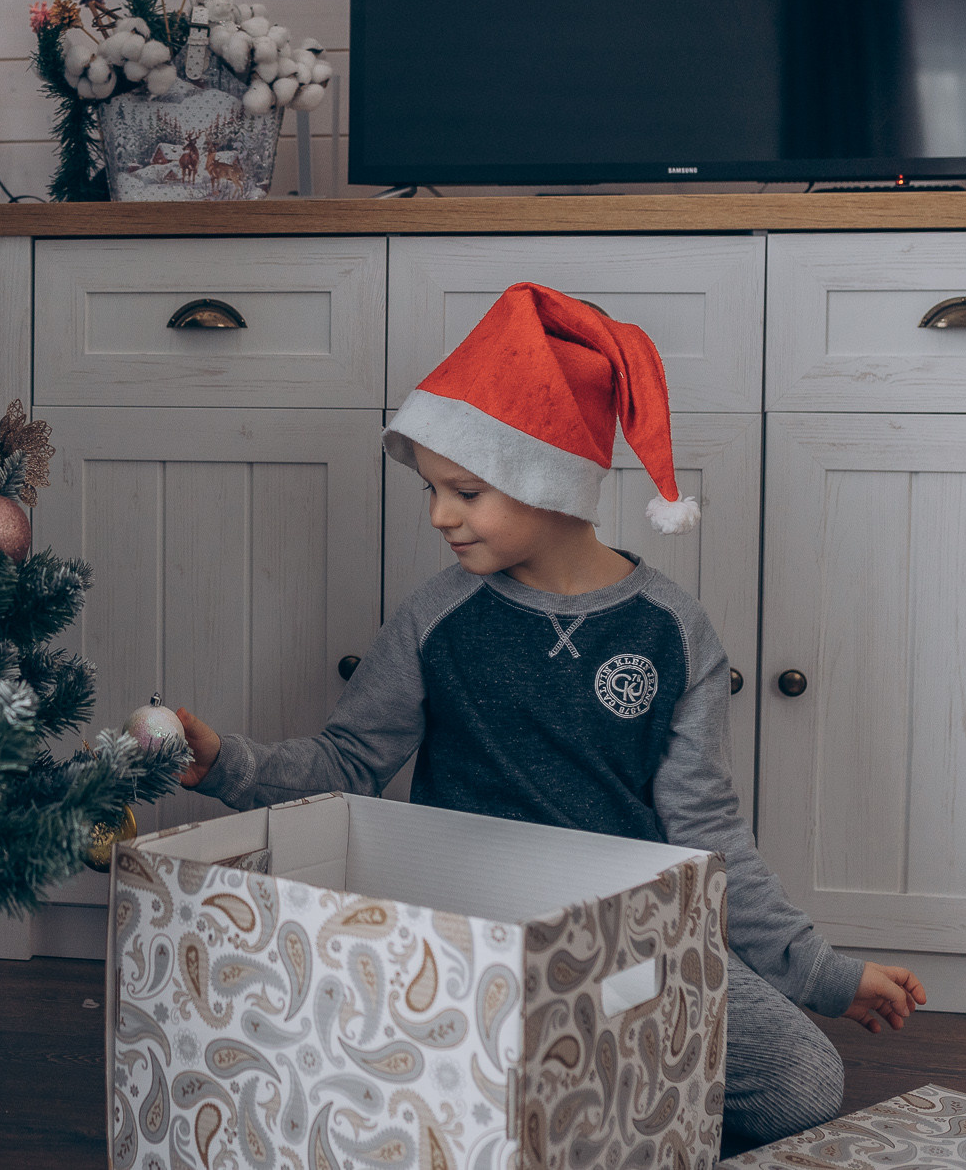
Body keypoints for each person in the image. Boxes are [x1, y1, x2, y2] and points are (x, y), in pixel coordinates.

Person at [174, 282, 925, 1150]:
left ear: (551, 482)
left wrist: (824, 973)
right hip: (465, 941)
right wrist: (226, 761)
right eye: (433, 489)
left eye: (465, 490)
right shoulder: (437, 618)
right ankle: (549, 1108)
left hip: (626, 950)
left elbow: (710, 835)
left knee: (803, 1080)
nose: (439, 515)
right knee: (477, 1070)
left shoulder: (674, 630)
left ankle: (560, 1113)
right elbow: (347, 763)